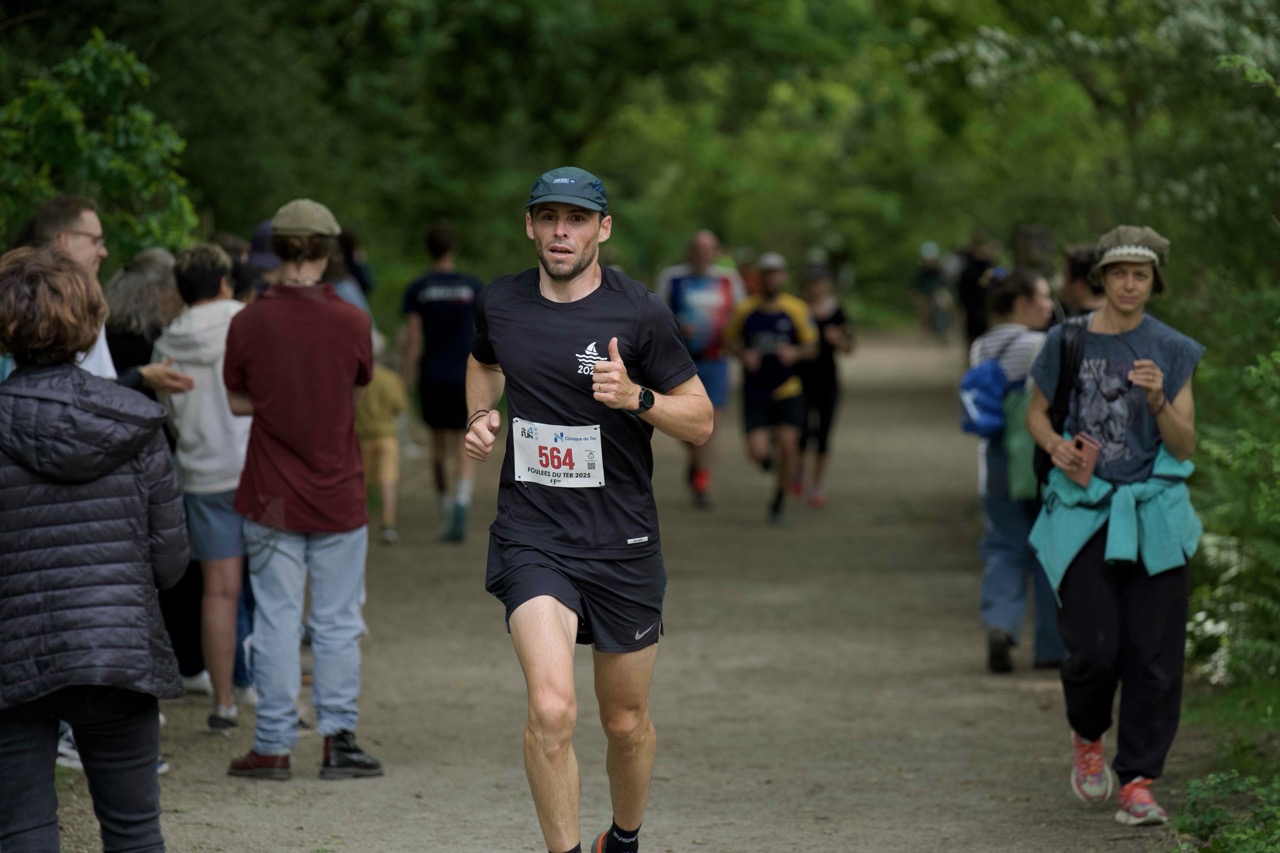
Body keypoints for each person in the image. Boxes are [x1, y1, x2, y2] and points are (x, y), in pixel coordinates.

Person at [465, 166, 712, 853]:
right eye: (548, 217)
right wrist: (480, 415)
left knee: (625, 721)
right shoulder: (501, 301)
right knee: (551, 708)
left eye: (575, 219)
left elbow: (701, 421)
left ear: (603, 228)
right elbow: (483, 362)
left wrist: (638, 398)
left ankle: (622, 839)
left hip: (621, 540)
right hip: (533, 533)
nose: (560, 232)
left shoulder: (640, 313)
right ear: (530, 225)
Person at [0, 246, 189, 852]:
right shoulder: (136, 422)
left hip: (13, 653)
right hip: (117, 647)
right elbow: (170, 563)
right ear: (90, 319)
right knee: (134, 832)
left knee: (22, 831)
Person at [1026, 225, 1204, 827]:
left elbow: (1185, 444)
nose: (1130, 285)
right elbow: (1035, 414)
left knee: (1155, 656)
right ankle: (1087, 734)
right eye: (1120, 274)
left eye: (1141, 275)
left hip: (1154, 513)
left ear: (1155, 282)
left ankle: (1138, 782)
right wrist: (1053, 445)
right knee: (1095, 649)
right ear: (1101, 278)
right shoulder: (1066, 339)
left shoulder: (1173, 349)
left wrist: (1158, 400)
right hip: (1085, 511)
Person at [223, 199, 381, 781]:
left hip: (271, 492)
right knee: (337, 622)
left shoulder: (247, 321)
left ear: (277, 248)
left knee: (275, 620)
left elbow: (237, 400)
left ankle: (272, 745)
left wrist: (274, 404)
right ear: (327, 250)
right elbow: (354, 392)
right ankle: (339, 741)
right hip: (338, 488)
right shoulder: (352, 321)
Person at [152, 243, 254, 732]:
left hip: (202, 475)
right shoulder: (245, 321)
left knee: (218, 592)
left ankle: (223, 702)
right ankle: (265, 692)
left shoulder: (166, 342)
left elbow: (169, 415)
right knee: (272, 586)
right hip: (258, 469)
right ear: (224, 282)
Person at [967, 268, 1064, 673]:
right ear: (1022, 303)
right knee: (1048, 547)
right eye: (1043, 297)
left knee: (1004, 546)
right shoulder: (1038, 344)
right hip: (1036, 458)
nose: (1049, 305)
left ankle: (1001, 623)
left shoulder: (981, 345)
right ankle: (1051, 645)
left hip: (996, 459)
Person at [399, 220, 484, 541]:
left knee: (437, 445)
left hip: (432, 375)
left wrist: (407, 376)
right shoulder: (471, 286)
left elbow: (413, 338)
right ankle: (463, 499)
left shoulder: (419, 288)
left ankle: (446, 508)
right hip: (464, 374)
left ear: (428, 249)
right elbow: (484, 332)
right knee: (464, 441)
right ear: (454, 248)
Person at [724, 251, 819, 525]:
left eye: (776, 274)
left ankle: (778, 501)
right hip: (755, 390)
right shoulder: (745, 310)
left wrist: (795, 352)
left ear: (784, 277)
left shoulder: (796, 309)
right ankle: (771, 462)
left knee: (789, 447)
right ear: (759, 277)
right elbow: (729, 342)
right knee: (757, 452)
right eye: (766, 274)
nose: (771, 279)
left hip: (788, 388)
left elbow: (813, 347)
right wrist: (743, 354)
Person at [656, 229, 746, 508]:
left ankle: (702, 481)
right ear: (689, 251)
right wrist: (677, 327)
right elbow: (656, 316)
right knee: (682, 422)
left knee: (710, 424)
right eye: (697, 248)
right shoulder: (672, 278)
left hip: (716, 360)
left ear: (716, 252)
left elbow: (742, 315)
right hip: (680, 361)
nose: (702, 254)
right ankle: (696, 460)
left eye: (708, 249)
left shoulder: (728, 280)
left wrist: (735, 338)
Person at [795, 262, 853, 508]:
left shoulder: (837, 311)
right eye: (811, 283)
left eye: (819, 283)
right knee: (800, 431)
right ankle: (798, 471)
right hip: (800, 380)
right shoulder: (797, 310)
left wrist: (837, 339)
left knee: (823, 434)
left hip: (827, 380)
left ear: (828, 285)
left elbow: (849, 347)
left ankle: (817, 485)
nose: (815, 288)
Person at [356, 331, 409, 545]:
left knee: (361, 482)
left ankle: (360, 521)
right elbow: (400, 406)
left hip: (362, 436)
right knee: (388, 480)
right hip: (387, 436)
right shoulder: (390, 378)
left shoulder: (358, 379)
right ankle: (388, 523)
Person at [1059, 244, 1104, 317]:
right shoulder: (1120, 316)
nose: (1062, 288)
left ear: (1080, 285)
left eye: (1065, 279)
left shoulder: (1071, 322)